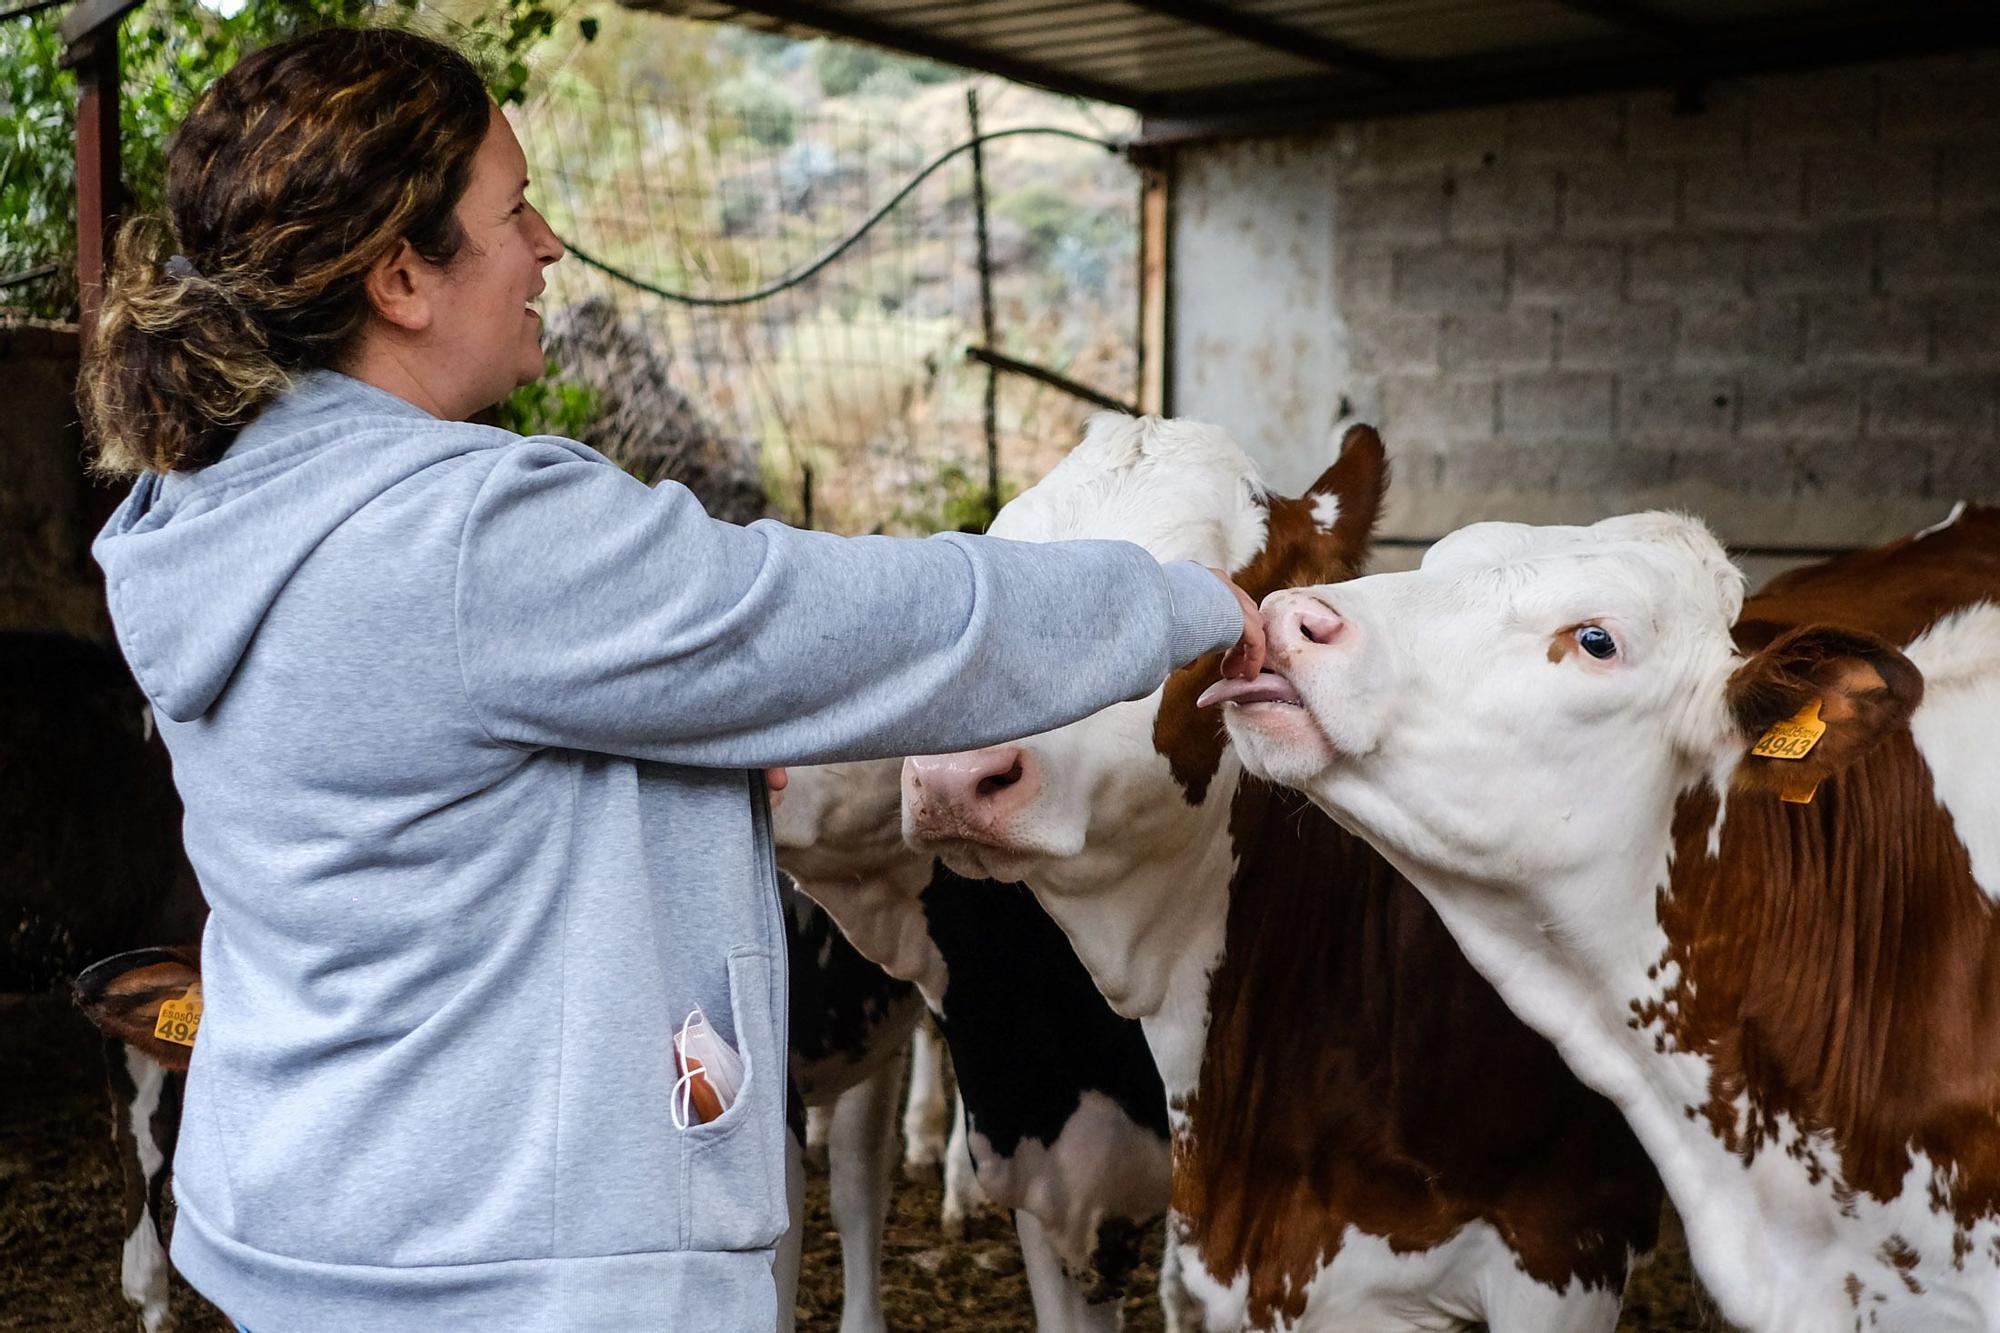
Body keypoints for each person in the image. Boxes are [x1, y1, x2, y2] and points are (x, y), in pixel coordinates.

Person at [79, 24, 1265, 1332]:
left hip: (307, 1224)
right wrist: (1192, 596)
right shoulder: (476, 541)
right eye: (513, 208)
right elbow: (876, 627)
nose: (549, 247)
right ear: (401, 277)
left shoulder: (209, 515)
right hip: (518, 1274)